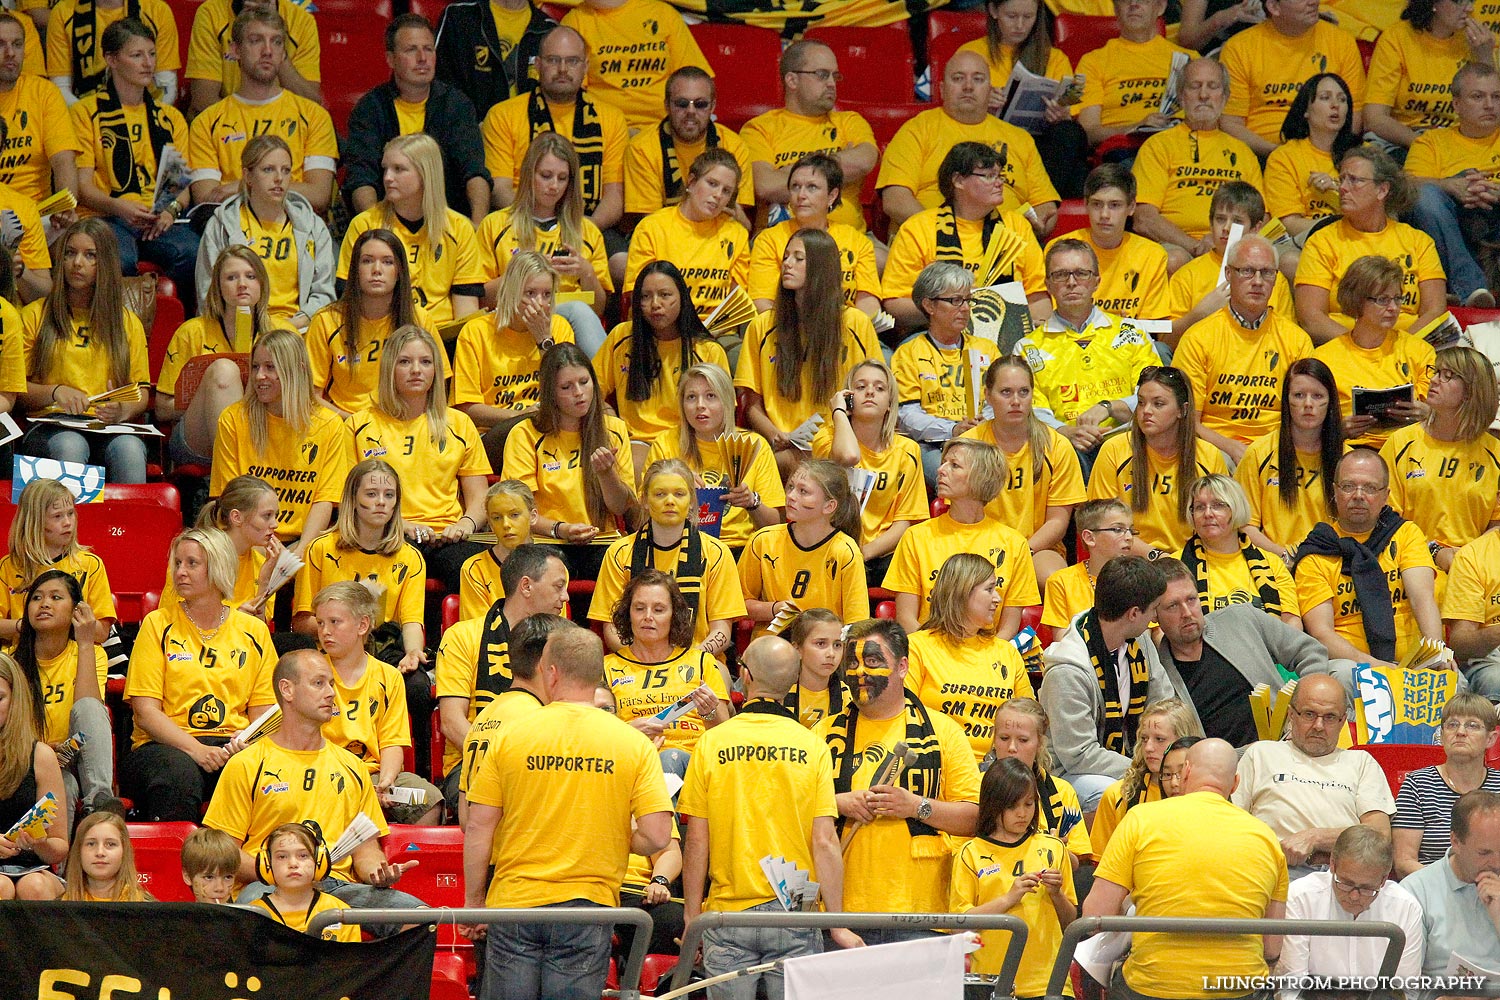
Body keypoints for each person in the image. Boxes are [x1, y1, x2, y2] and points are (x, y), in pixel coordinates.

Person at [461, 625, 674, 1000]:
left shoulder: (510, 736)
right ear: (596, 677)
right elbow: (658, 837)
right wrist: (615, 836)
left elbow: (479, 825)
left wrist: (474, 901)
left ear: (552, 672)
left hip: (515, 904)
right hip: (589, 906)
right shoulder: (632, 744)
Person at [681, 633, 859, 996]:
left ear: (744, 676)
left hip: (726, 914)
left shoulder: (711, 743)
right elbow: (824, 841)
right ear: (794, 680)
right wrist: (837, 924)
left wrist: (690, 916)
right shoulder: (813, 746)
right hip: (793, 911)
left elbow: (698, 840)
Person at [204, 649, 423, 935]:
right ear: (287, 690)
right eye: (319, 683)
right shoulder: (246, 764)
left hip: (336, 885)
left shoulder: (353, 767)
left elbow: (366, 849)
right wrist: (281, 870)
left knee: (419, 919)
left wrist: (377, 873)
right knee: (251, 912)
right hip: (268, 886)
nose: (331, 693)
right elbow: (224, 853)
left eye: (331, 684)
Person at [814, 618, 981, 944]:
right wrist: (836, 803)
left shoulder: (944, 731)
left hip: (922, 913)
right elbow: (793, 812)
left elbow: (974, 818)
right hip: (841, 916)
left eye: (873, 661)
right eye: (853, 663)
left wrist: (916, 806)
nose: (859, 671)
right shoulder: (820, 734)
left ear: (903, 666)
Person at [1084, 739, 1289, 1000]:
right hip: (1239, 989)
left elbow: (1095, 915)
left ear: (1186, 773)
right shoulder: (1267, 838)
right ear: (1235, 784)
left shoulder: (1140, 819)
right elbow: (1272, 948)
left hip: (1151, 986)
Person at [122, 528, 277, 822]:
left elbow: (263, 713)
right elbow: (145, 713)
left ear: (218, 567)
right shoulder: (157, 624)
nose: (181, 572)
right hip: (164, 746)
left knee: (265, 772)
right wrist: (197, 750)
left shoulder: (252, 630)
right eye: (177, 563)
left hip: (231, 744)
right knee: (177, 774)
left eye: (192, 563)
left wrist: (242, 742)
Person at [347, 326, 490, 593]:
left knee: (474, 570)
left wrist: (464, 525)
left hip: (450, 537)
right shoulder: (359, 424)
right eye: (405, 362)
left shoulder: (460, 424)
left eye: (425, 362)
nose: (416, 370)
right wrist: (399, 525)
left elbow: (479, 498)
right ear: (390, 368)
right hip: (387, 534)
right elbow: (349, 500)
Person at [71, 18, 197, 309]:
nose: (148, 63)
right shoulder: (86, 113)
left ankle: (178, 329)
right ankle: (123, 332)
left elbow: (181, 189)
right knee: (121, 258)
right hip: (106, 216)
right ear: (111, 59)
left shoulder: (170, 118)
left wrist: (170, 212)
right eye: (137, 55)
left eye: (151, 54)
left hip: (157, 220)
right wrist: (121, 207)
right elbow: (83, 187)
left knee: (192, 250)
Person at [1039, 555, 1181, 813]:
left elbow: (1166, 708)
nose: (1155, 619)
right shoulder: (1068, 671)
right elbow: (1079, 754)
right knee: (1115, 794)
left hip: (1134, 759)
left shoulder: (1140, 641)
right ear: (1134, 614)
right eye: (1153, 609)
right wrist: (1145, 770)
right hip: (1070, 774)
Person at [736, 228, 881, 478]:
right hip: (783, 444)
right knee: (785, 463)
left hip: (840, 440)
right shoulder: (761, 326)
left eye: (798, 258)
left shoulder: (856, 324)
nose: (787, 265)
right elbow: (750, 402)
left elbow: (875, 393)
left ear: (821, 267)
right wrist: (774, 434)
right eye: (786, 257)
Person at [435, 544, 569, 807]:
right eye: (558, 586)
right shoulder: (463, 636)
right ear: (526, 586)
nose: (565, 597)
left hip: (548, 761)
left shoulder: (564, 640)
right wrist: (509, 762)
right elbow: (451, 722)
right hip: (472, 764)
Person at [878, 49, 1059, 240]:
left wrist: (1036, 225)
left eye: (978, 79)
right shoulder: (917, 129)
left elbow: (1046, 206)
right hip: (933, 246)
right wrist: (947, 235)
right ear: (941, 89)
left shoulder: (1020, 138)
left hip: (1004, 247)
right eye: (958, 78)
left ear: (990, 90)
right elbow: (895, 200)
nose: (968, 87)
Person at [20, 219, 149, 484]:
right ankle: (70, 525)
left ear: (106, 263)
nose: (77, 263)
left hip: (107, 426)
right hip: (50, 424)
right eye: (70, 253)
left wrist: (122, 410)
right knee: (71, 446)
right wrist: (55, 392)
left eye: (90, 255)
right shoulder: (35, 315)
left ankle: (127, 527)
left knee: (130, 449)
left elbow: (142, 392)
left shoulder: (127, 323)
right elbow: (16, 390)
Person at [1154, 557, 1333, 748]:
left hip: (1289, 744)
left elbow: (1310, 651)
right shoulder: (1159, 675)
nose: (1187, 613)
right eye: (1173, 606)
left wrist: (1304, 712)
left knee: (1344, 671)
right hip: (1227, 768)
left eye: (1191, 600)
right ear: (1153, 615)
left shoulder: (1241, 618)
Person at [1294, 448, 1445, 669]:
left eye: (1370, 488)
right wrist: (1376, 666)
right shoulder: (1317, 552)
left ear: (1386, 495)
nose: (1358, 495)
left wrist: (1436, 652)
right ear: (1334, 492)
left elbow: (1422, 599)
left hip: (1413, 661)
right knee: (1344, 675)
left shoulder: (1405, 533)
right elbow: (1322, 634)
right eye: (1348, 486)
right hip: (1351, 664)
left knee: (1455, 682)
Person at [1015, 239, 1159, 467]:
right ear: (1048, 285)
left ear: (1096, 281)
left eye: (1081, 273)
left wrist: (1109, 407)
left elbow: (1155, 394)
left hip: (1130, 442)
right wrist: (1067, 432)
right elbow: (1032, 410)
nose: (1071, 282)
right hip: (1064, 450)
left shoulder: (1131, 332)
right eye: (1061, 275)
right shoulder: (1027, 347)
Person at [1234, 674, 1395, 877]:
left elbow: (1379, 836)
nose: (1319, 726)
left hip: (1342, 875)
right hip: (1273, 868)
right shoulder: (1261, 753)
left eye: (1329, 717)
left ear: (1343, 721)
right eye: (1309, 714)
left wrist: (1316, 838)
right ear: (1291, 715)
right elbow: (1233, 824)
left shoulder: (1361, 762)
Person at [307, 583, 441, 826]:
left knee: (429, 800)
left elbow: (392, 741)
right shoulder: (310, 672)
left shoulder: (389, 677)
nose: (325, 631)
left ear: (362, 625)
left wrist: (386, 782)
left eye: (335, 622)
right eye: (320, 623)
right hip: (325, 772)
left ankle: (397, 859)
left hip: (374, 775)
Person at [210, 328, 352, 557]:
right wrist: (259, 553)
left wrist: (299, 552)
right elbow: (228, 503)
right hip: (245, 541)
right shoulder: (233, 419)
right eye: (255, 367)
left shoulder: (329, 425)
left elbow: (324, 501)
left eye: (270, 367)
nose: (259, 376)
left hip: (303, 541)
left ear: (297, 371)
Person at [882, 142, 1049, 334]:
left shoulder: (1017, 226)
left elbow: (1039, 298)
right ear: (958, 180)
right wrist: (950, 308)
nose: (999, 182)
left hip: (1007, 334)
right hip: (933, 336)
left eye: (999, 175)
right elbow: (895, 304)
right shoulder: (917, 228)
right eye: (988, 176)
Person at [1174, 234, 1314, 464]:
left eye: (1267, 273)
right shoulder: (1198, 338)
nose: (1258, 281)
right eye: (1247, 271)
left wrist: (1267, 449)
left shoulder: (1297, 340)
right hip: (1217, 447)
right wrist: (1231, 447)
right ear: (1229, 274)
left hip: (1279, 447)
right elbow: (1187, 420)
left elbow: (1306, 416)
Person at [502, 342, 635, 580]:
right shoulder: (524, 434)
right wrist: (560, 529)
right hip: (546, 542)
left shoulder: (613, 430)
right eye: (566, 386)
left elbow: (620, 506)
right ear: (550, 392)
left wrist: (606, 474)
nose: (578, 392)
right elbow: (517, 511)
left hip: (600, 542)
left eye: (584, 382)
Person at [186, 9, 336, 216]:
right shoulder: (207, 121)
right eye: (256, 41)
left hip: (298, 231)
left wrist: (240, 187)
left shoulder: (313, 116)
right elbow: (208, 200)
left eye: (276, 42)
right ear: (235, 50)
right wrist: (279, 188)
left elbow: (319, 195)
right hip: (232, 234)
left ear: (284, 53)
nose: (267, 51)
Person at [344, 14, 489, 226]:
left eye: (429, 49)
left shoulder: (456, 105)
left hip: (446, 223)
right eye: (411, 50)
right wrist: (378, 230)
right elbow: (361, 179)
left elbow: (474, 171)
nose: (422, 58)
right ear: (391, 59)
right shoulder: (370, 109)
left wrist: (478, 227)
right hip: (388, 223)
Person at [886, 438, 1039, 638]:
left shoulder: (1014, 543)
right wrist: (938, 657)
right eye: (943, 463)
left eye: (954, 465)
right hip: (930, 654)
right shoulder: (916, 537)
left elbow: (1008, 628)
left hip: (986, 658)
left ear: (982, 477)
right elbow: (907, 620)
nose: (941, 470)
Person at [950, 756, 1075, 1000]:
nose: (1022, 814)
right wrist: (1010, 897)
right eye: (1012, 806)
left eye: (1029, 804)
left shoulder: (1054, 849)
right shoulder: (970, 853)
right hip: (991, 983)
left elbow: (1071, 922)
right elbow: (959, 925)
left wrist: (1056, 894)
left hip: (1049, 983)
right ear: (994, 805)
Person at [476, 133, 612, 357]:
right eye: (546, 176)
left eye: (562, 178)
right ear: (529, 175)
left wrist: (585, 272)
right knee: (576, 311)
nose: (554, 186)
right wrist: (523, 274)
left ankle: (601, 383)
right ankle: (603, 381)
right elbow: (480, 296)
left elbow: (598, 309)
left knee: (578, 311)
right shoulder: (496, 225)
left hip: (569, 320)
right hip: (512, 317)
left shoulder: (586, 231)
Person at [1295, 146, 1448, 343]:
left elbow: (1435, 311)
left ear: (1382, 190)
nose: (1342, 187)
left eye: (1354, 180)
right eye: (1342, 179)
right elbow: (1312, 319)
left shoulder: (1418, 241)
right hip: (1344, 349)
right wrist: (1361, 347)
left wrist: (1401, 348)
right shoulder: (1322, 241)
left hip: (1407, 349)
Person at [591, 459, 744, 656]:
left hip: (697, 658)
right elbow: (612, 629)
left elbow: (722, 631)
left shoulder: (717, 553)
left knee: (721, 678)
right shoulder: (618, 553)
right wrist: (644, 657)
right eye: (660, 494)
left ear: (691, 501)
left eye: (679, 494)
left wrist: (687, 659)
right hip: (635, 659)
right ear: (644, 500)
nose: (670, 501)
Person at [339, 133, 485, 330]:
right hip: (383, 335)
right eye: (385, 169)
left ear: (425, 174)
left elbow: (466, 315)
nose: (388, 178)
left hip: (442, 337)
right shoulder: (365, 225)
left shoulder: (459, 228)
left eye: (399, 169)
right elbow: (349, 300)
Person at [291, 462, 427, 668]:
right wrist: (344, 627)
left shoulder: (411, 558)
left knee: (417, 685)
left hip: (381, 649)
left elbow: (411, 622)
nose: (381, 502)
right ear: (353, 500)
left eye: (389, 495)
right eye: (371, 494)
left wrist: (413, 652)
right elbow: (301, 622)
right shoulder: (319, 549)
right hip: (328, 649)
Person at [157, 246, 284, 468]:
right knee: (224, 370)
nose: (242, 284)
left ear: (262, 284)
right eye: (231, 277)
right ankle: (237, 478)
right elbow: (162, 408)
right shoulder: (192, 331)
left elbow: (302, 397)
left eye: (250, 276)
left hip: (268, 433)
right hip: (198, 435)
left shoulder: (283, 333)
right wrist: (211, 395)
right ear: (218, 286)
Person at [1132, 59, 1262, 273]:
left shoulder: (1243, 152)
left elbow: (1261, 217)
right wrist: (1196, 246)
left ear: (1225, 97)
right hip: (1180, 246)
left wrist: (1227, 246)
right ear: (1181, 96)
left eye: (1213, 87)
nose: (1204, 95)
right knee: (1173, 259)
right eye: (1195, 86)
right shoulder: (1157, 146)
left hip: (1234, 247)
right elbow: (1145, 218)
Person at [196, 134, 336, 333]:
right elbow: (208, 294)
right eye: (268, 170)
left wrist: (290, 326)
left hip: (299, 331)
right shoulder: (222, 226)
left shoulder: (313, 226)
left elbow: (324, 294)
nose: (279, 178)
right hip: (240, 331)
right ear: (248, 176)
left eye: (286, 171)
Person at [1087, 365, 1229, 557]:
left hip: (1192, 560)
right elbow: (1101, 525)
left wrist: (1182, 562)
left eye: (1158, 404)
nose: (1146, 411)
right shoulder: (1114, 450)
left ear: (1182, 409)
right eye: (1141, 402)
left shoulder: (1208, 456)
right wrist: (1156, 556)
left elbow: (1218, 524)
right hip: (1129, 560)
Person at [600, 568, 729, 778]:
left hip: (693, 764)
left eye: (659, 610)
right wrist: (628, 734)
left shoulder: (701, 662)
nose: (648, 617)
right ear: (628, 613)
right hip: (631, 761)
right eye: (639, 608)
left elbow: (724, 734)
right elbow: (595, 735)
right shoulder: (606, 667)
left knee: (670, 758)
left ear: (674, 615)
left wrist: (709, 713)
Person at [1382, 345, 1500, 572]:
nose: (1434, 380)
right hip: (1411, 565)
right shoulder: (1400, 443)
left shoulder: (1495, 454)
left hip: (1475, 569)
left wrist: (1466, 558)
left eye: (1447, 376)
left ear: (1471, 391)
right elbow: (1386, 521)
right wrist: (1434, 552)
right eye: (1435, 372)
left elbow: (1496, 527)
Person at [907, 553, 1034, 764]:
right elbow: (906, 718)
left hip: (1000, 769)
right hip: (939, 764)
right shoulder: (916, 647)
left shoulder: (1007, 653)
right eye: (989, 589)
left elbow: (1029, 719)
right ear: (962, 592)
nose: (998, 598)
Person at [740, 39, 877, 236]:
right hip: (780, 242)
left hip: (849, 242)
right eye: (822, 75)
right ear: (792, 80)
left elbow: (865, 160)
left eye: (834, 76)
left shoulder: (850, 121)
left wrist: (788, 173)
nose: (831, 83)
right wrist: (836, 168)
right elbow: (766, 186)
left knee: (891, 260)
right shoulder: (759, 129)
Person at [594, 260, 729, 458]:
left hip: (689, 441)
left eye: (665, 295)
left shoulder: (707, 350)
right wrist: (612, 420)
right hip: (638, 441)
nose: (655, 304)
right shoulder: (621, 336)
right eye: (646, 297)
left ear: (682, 297)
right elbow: (592, 390)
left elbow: (722, 413)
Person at [645, 363, 784, 553]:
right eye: (691, 397)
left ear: (727, 402)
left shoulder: (754, 445)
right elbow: (642, 514)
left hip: (737, 548)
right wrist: (675, 486)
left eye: (710, 396)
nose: (700, 405)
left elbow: (775, 526)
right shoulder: (665, 443)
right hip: (679, 546)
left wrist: (751, 502)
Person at [958, 0, 1089, 198]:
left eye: (1028, 17)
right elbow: (954, 108)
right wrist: (982, 104)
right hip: (990, 141)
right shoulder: (971, 54)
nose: (1020, 25)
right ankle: (1044, 206)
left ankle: (1042, 203)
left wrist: (1061, 114)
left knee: (1071, 133)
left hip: (1040, 144)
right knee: (1077, 175)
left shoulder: (1054, 57)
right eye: (1012, 17)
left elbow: (1070, 115)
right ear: (994, 11)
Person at [814, 359, 929, 586]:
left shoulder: (908, 451)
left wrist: (864, 553)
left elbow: (904, 522)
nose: (869, 392)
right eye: (860, 387)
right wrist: (838, 411)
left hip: (881, 553)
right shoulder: (826, 437)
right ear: (848, 397)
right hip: (831, 545)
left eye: (879, 388)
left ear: (889, 403)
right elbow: (848, 456)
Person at [12, 571, 111, 822]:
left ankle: (99, 804)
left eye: (56, 597)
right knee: (61, 790)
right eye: (36, 598)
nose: (44, 603)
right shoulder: (10, 661)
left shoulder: (93, 654)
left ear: (76, 611)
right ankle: (54, 863)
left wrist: (86, 643)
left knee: (90, 707)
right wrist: (42, 753)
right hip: (28, 760)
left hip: (76, 755)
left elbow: (89, 715)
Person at [306, 229, 435, 418]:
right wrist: (355, 424)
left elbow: (437, 390)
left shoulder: (419, 320)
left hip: (404, 423)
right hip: (345, 423)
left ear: (399, 272)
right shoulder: (326, 321)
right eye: (367, 261)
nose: (376, 269)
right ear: (355, 270)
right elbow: (311, 396)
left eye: (387, 262)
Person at [456, 611, 570, 826]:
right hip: (529, 853)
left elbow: (466, 819)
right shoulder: (541, 720)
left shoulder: (483, 717)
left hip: (495, 854)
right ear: (545, 667)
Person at [1315, 256, 1437, 452]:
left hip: (1411, 449)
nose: (1393, 308)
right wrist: (1338, 430)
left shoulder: (1421, 351)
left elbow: (1444, 413)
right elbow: (1309, 425)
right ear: (1357, 300)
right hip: (1351, 450)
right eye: (1382, 300)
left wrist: (1429, 414)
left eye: (1397, 298)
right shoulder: (1324, 358)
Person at [453, 250, 574, 446]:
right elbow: (467, 409)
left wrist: (544, 341)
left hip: (548, 427)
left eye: (547, 295)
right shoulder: (475, 332)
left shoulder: (559, 328)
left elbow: (569, 389)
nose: (540, 304)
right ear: (512, 291)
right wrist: (517, 416)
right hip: (494, 433)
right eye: (530, 293)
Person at [1218, 0, 1367, 159]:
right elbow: (1230, 123)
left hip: (1329, 152)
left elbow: (1355, 115)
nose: (1314, 2)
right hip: (1261, 154)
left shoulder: (1342, 42)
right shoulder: (1239, 48)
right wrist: (1279, 154)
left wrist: (1320, 153)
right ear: (1274, 7)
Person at [892, 263, 995, 489]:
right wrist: (952, 429)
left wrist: (984, 423)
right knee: (958, 476)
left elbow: (999, 399)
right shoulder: (908, 352)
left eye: (968, 300)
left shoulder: (987, 349)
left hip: (985, 440)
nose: (966, 308)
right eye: (956, 301)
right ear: (929, 305)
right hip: (935, 444)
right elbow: (907, 415)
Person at [1406, 62, 1500, 312]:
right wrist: (1451, 186)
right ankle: (1471, 288)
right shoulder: (1431, 142)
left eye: (1496, 96)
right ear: (1456, 104)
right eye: (1478, 97)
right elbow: (1406, 186)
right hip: (1453, 223)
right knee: (1425, 196)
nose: (1490, 105)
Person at [737, 459, 868, 635]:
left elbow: (856, 625)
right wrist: (775, 608)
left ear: (829, 506)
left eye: (803, 491)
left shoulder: (845, 551)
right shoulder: (762, 540)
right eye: (790, 487)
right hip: (771, 648)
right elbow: (736, 604)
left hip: (823, 647)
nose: (791, 496)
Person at [1234, 357, 1345, 563]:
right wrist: (1284, 556)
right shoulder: (1259, 453)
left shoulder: (1347, 459)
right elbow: (1244, 525)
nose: (1308, 404)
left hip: (1333, 564)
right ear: (1286, 401)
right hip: (1275, 563)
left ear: (1330, 402)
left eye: (1318, 396)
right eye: (1299, 395)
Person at [1285, 824, 1427, 982]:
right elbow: (1291, 984)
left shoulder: (1406, 907)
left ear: (1384, 879)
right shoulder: (1300, 897)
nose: (1354, 896)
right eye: (1345, 883)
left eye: (1366, 888)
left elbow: (1405, 987)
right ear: (1332, 864)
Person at [624, 148, 750, 323]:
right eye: (712, 184)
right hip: (660, 325)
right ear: (691, 182)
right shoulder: (652, 227)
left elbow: (735, 301)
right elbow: (639, 295)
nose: (718, 195)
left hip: (715, 332)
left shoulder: (736, 234)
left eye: (727, 191)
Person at [746, 154, 880, 317]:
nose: (801, 195)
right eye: (795, 186)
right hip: (787, 332)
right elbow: (762, 303)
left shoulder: (856, 241)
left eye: (812, 187)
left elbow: (868, 302)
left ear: (832, 195)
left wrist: (845, 331)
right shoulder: (769, 240)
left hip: (844, 331)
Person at [1167, 182, 1297, 345]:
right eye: (1220, 219)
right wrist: (1198, 315)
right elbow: (1165, 342)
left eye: (1237, 221)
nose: (1226, 228)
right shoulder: (1187, 275)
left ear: (1256, 228)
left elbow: (1289, 339)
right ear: (1210, 223)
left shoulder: (1273, 279)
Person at [624, 66, 754, 227]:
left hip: (717, 236)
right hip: (665, 240)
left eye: (700, 104)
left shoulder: (734, 146)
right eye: (682, 103)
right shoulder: (642, 148)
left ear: (712, 106)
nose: (691, 111)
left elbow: (736, 219)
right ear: (666, 106)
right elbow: (651, 225)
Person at [560, 0, 711, 133]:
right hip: (603, 131)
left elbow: (696, 83)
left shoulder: (663, 14)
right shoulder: (575, 21)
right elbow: (570, 94)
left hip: (668, 130)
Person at [1394, 694, 1500, 877]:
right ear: (1442, 736)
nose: (1460, 732)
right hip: (1432, 890)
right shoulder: (1417, 784)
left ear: (1491, 739)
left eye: (1472, 725)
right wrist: (1451, 884)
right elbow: (1404, 862)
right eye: (1452, 724)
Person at [1367, 0, 1495, 150]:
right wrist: (1425, 146)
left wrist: (1485, 58)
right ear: (1432, 3)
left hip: (1462, 138)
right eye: (1459, 1)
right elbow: (1375, 118)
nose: (1470, 8)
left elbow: (1492, 112)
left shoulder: (1477, 42)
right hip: (1404, 139)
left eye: (1471, 0)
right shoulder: (1397, 38)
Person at [0, 478, 115, 644]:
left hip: (77, 659)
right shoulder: (8, 566)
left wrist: (56, 621)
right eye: (57, 516)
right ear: (34, 522)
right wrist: (28, 625)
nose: (67, 522)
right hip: (25, 657)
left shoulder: (90, 564)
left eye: (70, 513)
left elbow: (101, 632)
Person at [1048, 164, 1168, 320]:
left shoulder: (1152, 255)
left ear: (1131, 207)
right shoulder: (1059, 251)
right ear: (1086, 205)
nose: (1104, 214)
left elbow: (1154, 325)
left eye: (1115, 205)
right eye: (1097, 204)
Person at [1179, 475, 1301, 628]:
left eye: (1218, 505)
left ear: (1236, 508)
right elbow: (1162, 631)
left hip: (1266, 649)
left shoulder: (1272, 563)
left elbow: (1291, 622)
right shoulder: (1176, 565)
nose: (1208, 513)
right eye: (1199, 507)